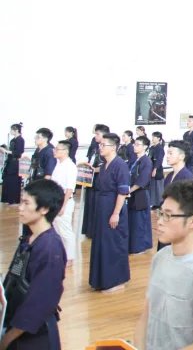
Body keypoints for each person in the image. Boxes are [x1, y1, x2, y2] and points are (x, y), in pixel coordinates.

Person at [135, 180, 193, 350]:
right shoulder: (160, 257)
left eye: (168, 215)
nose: (159, 221)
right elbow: (146, 316)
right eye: (160, 213)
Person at [1, 179, 67, 349]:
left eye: (26, 203)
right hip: (15, 325)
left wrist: (8, 338)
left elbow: (40, 302)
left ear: (44, 209)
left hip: (34, 337)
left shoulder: (50, 248)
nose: (20, 208)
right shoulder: (29, 240)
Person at [88, 133, 130, 292]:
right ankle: (101, 279)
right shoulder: (105, 165)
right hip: (102, 207)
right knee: (102, 243)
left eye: (103, 145)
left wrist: (116, 213)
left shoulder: (120, 165)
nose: (100, 147)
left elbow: (122, 191)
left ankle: (116, 281)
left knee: (113, 243)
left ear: (113, 147)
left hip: (113, 206)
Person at [50, 140, 78, 266]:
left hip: (64, 201)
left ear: (65, 151)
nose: (54, 151)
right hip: (55, 200)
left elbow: (69, 189)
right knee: (57, 229)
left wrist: (63, 205)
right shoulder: (59, 164)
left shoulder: (70, 166)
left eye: (57, 149)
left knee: (65, 230)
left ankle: (69, 257)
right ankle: (61, 254)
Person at [128, 135, 154, 254]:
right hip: (132, 193)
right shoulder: (136, 160)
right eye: (134, 144)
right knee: (133, 221)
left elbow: (142, 180)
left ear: (145, 147)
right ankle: (133, 245)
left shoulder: (146, 161)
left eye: (138, 144)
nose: (135, 146)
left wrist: (129, 190)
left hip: (140, 194)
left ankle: (140, 247)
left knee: (140, 222)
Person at [81, 125, 107, 238]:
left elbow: (108, 166)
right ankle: (90, 231)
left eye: (97, 134)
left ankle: (97, 232)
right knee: (90, 205)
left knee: (97, 207)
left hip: (100, 182)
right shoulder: (95, 147)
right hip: (91, 181)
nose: (95, 136)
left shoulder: (107, 149)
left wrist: (95, 170)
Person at [148, 131, 166, 209]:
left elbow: (159, 160)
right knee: (153, 187)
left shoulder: (160, 148)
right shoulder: (152, 147)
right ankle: (154, 203)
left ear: (158, 138)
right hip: (151, 168)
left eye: (154, 137)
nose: (152, 139)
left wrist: (155, 169)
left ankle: (160, 203)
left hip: (157, 169)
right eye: (152, 137)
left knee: (158, 187)